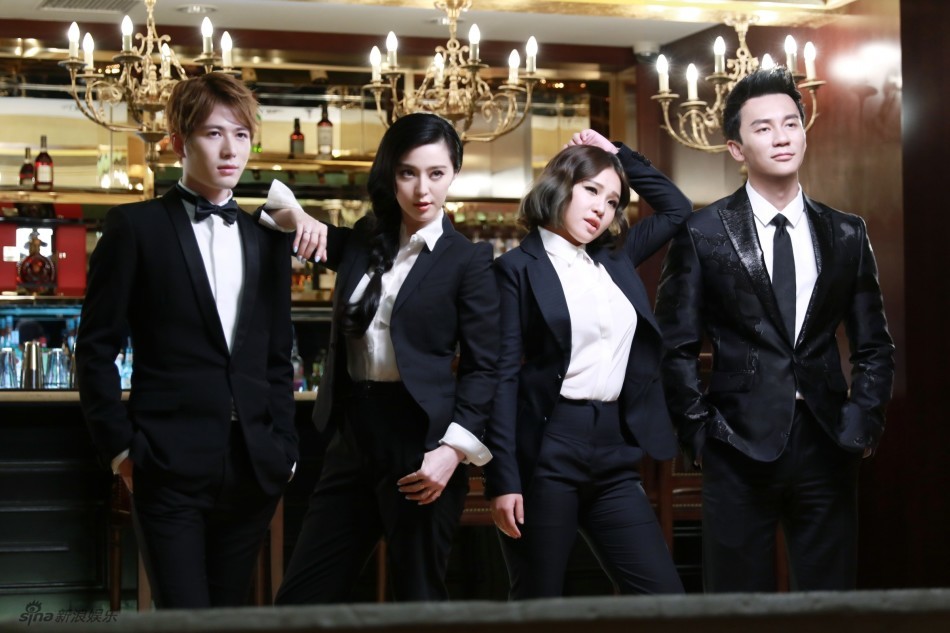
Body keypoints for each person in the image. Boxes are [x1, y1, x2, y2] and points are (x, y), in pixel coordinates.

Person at [654, 67, 895, 592]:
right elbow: (675, 347)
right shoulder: (703, 233)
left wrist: (862, 423)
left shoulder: (846, 232)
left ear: (804, 134)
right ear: (736, 148)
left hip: (828, 440)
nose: (781, 137)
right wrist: (700, 434)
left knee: (830, 602)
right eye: (763, 128)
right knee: (738, 605)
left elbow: (874, 345)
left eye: (791, 124)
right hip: (735, 444)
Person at [76, 72, 298, 608]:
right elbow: (96, 348)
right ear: (178, 142)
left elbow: (276, 355)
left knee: (229, 615)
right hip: (166, 464)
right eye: (213, 133)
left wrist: (284, 450)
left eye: (241, 135)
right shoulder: (134, 228)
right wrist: (121, 451)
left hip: (253, 467)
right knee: (183, 617)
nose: (230, 150)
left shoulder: (267, 237)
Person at [271, 112, 500, 603]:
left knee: (417, 602)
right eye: (408, 172)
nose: (422, 189)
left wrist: (453, 451)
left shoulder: (468, 260)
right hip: (352, 435)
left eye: (436, 173)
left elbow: (486, 367)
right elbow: (274, 211)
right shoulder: (361, 240)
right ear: (390, 174)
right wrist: (302, 218)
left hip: (421, 443)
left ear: (454, 174)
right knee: (301, 598)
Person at [484, 129, 691, 599]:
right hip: (547, 451)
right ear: (560, 187)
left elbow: (676, 208)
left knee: (665, 602)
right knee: (539, 604)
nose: (601, 208)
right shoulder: (515, 270)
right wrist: (502, 480)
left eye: (613, 201)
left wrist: (618, 154)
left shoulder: (615, 259)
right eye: (591, 190)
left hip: (614, 451)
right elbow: (501, 379)